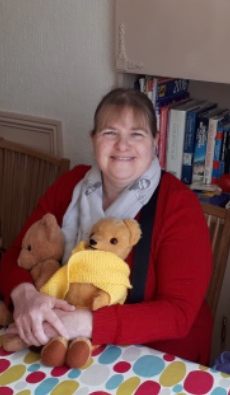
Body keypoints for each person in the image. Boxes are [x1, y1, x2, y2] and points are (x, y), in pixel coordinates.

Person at [0, 88, 213, 365]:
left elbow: (178, 314)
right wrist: (26, 296)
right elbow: (16, 254)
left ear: (155, 142)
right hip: (61, 342)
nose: (122, 145)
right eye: (110, 133)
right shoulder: (70, 185)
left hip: (157, 357)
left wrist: (82, 322)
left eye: (136, 134)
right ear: (93, 140)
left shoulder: (178, 204)